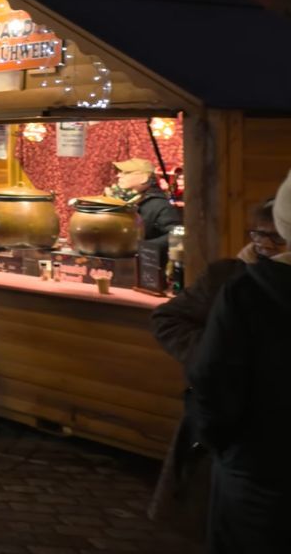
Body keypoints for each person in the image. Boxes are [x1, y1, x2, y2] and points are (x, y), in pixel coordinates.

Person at [148, 197, 285, 539]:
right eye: (257, 234)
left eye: (276, 237)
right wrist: (212, 353)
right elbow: (169, 317)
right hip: (235, 440)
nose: (263, 244)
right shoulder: (229, 275)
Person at [189, 171, 291, 552]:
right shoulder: (241, 283)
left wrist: (218, 443)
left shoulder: (250, 290)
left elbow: (215, 383)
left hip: (258, 466)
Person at [111, 158, 181, 242]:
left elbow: (176, 234)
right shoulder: (120, 200)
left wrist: (147, 246)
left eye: (126, 172)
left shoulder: (159, 205)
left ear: (144, 178)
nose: (119, 175)